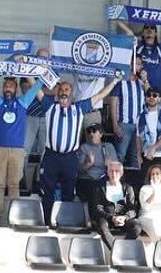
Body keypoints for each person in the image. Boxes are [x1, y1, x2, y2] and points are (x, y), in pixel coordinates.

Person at [33, 76, 120, 208]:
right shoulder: (49, 106)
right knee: (47, 191)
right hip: (51, 156)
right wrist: (25, 68)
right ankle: (46, 221)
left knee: (68, 191)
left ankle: (65, 222)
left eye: (66, 89)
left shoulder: (79, 108)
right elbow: (35, 89)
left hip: (69, 157)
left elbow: (101, 94)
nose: (63, 92)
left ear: (71, 93)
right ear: (57, 92)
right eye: (61, 89)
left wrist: (114, 81)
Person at [0, 71, 43, 227]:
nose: (8, 88)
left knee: (14, 185)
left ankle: (14, 217)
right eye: (5, 86)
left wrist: (43, 72)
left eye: (11, 86)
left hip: (17, 151)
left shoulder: (23, 102)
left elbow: (36, 87)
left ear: (16, 89)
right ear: (2, 89)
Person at [114, 21, 161, 94]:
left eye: (152, 28)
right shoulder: (137, 45)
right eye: (146, 28)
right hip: (137, 91)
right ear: (143, 33)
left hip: (154, 95)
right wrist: (115, 17)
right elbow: (129, 32)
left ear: (156, 33)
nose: (149, 29)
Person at [88, 160, 139, 246]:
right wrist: (112, 218)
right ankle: (115, 249)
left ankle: (124, 247)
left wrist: (124, 217)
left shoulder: (128, 188)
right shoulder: (100, 187)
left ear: (122, 173)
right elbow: (97, 208)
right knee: (101, 225)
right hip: (106, 218)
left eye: (117, 171)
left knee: (137, 227)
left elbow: (132, 209)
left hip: (123, 219)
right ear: (107, 172)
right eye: (111, 171)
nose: (114, 174)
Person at [76, 125, 118, 211]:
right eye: (89, 132)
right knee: (93, 189)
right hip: (88, 179)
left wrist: (109, 165)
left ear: (101, 134)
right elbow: (78, 170)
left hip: (103, 179)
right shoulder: (84, 148)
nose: (91, 134)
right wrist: (89, 164)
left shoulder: (108, 147)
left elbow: (117, 168)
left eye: (94, 131)